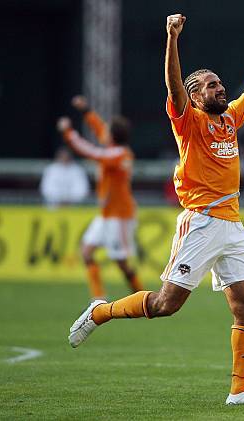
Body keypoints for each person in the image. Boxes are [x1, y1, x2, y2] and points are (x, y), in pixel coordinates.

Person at [66, 14, 244, 406]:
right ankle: (101, 311)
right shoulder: (188, 121)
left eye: (220, 83)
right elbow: (173, 83)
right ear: (195, 95)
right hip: (201, 222)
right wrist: (172, 38)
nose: (221, 89)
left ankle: (240, 391)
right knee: (166, 305)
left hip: (232, 225)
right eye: (211, 85)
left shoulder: (231, 120)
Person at [56, 97, 143, 299]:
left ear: (113, 136)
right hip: (107, 214)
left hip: (120, 215)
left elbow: (90, 151)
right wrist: (86, 110)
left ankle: (141, 297)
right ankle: (98, 300)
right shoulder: (116, 150)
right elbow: (99, 129)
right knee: (86, 252)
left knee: (121, 263)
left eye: (108, 131)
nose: (104, 132)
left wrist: (68, 133)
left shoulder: (119, 155)